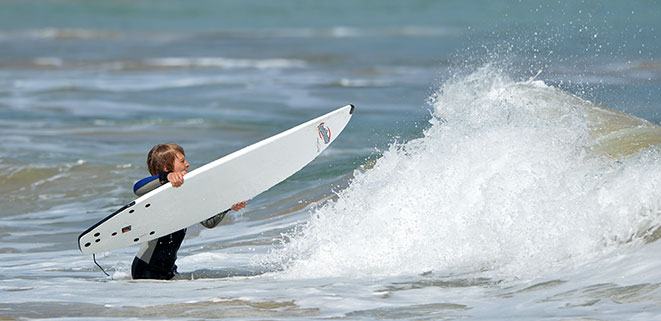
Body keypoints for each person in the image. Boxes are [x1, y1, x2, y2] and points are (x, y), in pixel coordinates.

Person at [130, 143, 246, 280]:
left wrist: (228, 207)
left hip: (169, 270)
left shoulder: (187, 196)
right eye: (182, 161)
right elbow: (137, 188)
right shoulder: (156, 193)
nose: (188, 164)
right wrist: (165, 177)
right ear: (166, 168)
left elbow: (209, 222)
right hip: (146, 271)